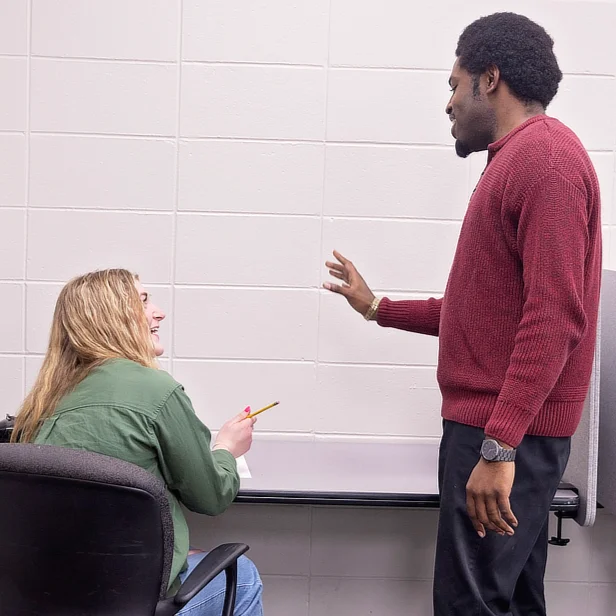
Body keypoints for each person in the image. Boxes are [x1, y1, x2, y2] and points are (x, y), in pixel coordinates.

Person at [323, 12, 601, 616]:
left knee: (468, 606)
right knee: (511, 602)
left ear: (490, 78)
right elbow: (485, 314)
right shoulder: (515, 160)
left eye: (454, 85)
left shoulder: (543, 158)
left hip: (505, 434)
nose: (448, 103)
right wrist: (378, 309)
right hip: (506, 430)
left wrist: (500, 448)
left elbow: (553, 318)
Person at [13, 269, 263, 615]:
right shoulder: (156, 390)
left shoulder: (42, 403)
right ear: (112, 318)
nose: (159, 312)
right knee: (244, 575)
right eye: (144, 301)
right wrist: (226, 449)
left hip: (50, 599)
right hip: (131, 602)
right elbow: (211, 496)